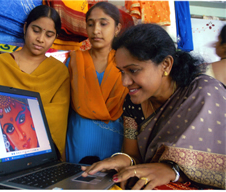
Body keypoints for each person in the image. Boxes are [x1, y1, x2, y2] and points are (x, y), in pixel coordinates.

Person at [81, 23, 226, 190]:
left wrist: (174, 171)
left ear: (165, 65)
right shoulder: (133, 102)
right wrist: (122, 159)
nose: (124, 82)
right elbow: (134, 156)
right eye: (121, 71)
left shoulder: (204, 93)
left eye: (133, 70)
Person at [0, 5, 70, 161]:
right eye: (36, 30)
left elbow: (57, 121)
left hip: (42, 157)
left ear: (55, 37)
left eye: (49, 35)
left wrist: (12, 110)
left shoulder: (59, 72)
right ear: (25, 28)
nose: (40, 39)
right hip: (1, 155)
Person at [65, 2, 128, 164]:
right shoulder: (74, 61)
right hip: (78, 143)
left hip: (114, 144)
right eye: (90, 24)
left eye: (103, 24)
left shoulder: (126, 65)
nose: (96, 30)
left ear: (117, 28)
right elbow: (62, 107)